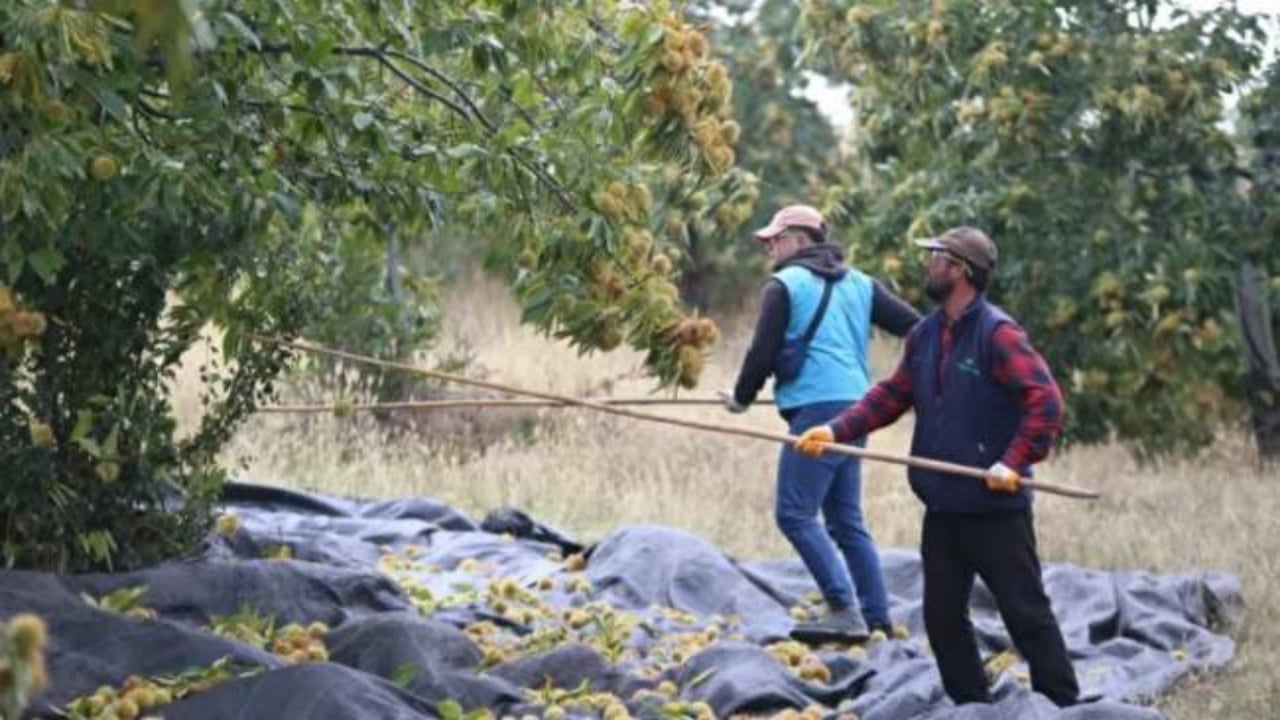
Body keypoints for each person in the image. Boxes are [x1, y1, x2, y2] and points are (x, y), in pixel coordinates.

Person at [794, 226, 1080, 707]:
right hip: (943, 508)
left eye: (937, 258)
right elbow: (892, 394)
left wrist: (1013, 462)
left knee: (1025, 614)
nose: (928, 266)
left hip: (995, 511)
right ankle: (973, 705)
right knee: (943, 618)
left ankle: (1063, 705)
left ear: (961, 271)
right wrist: (837, 430)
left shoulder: (998, 335)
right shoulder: (925, 334)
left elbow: (1046, 403)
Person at [723, 204, 920, 642]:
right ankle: (877, 617)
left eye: (776, 238)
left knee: (793, 513)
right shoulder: (862, 284)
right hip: (857, 407)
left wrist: (740, 398)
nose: (770, 247)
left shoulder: (783, 285)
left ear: (800, 240)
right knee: (845, 519)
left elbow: (761, 352)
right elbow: (918, 328)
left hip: (817, 412)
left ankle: (843, 608)